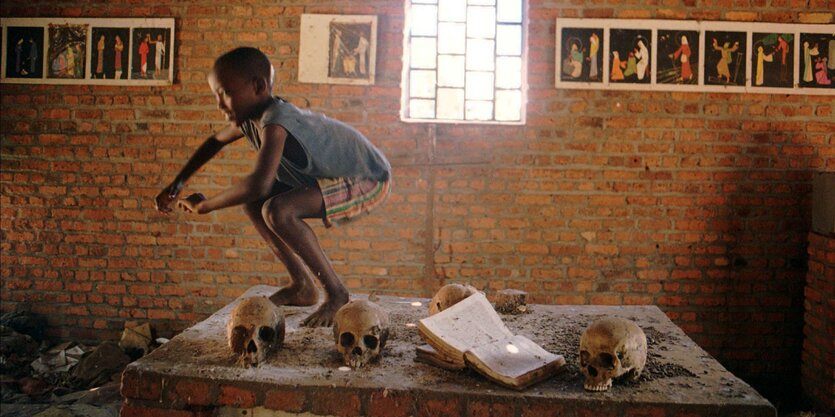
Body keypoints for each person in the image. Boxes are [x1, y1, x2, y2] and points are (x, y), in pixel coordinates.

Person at [154, 47, 391, 327]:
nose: (219, 104)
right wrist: (177, 183)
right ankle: (302, 285)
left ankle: (337, 293)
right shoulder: (251, 120)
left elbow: (258, 183)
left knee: (278, 211)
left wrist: (206, 205)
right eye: (216, 96)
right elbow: (214, 142)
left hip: (367, 177)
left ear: (258, 86)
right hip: (331, 175)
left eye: (225, 93)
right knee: (256, 205)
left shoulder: (276, 121)